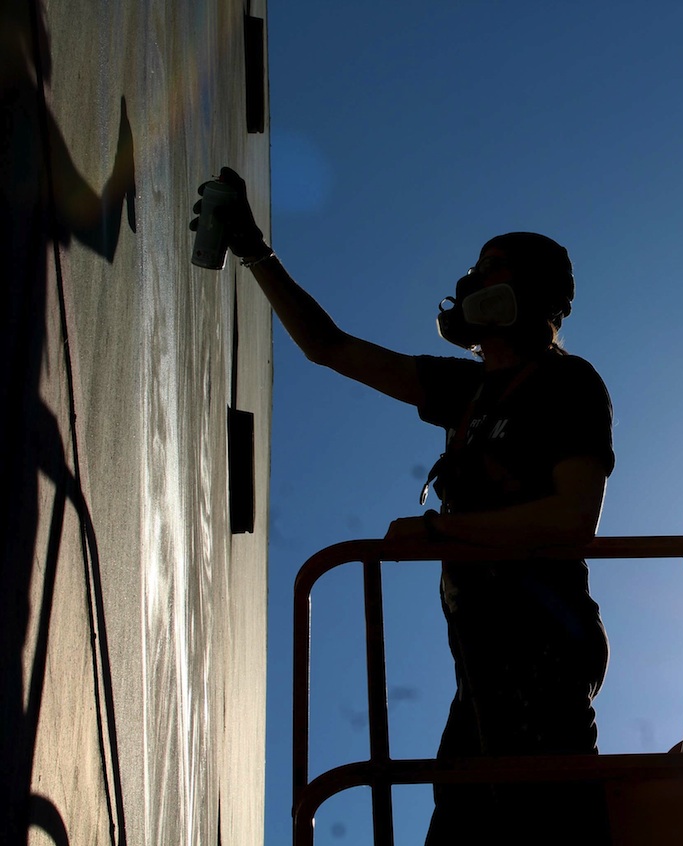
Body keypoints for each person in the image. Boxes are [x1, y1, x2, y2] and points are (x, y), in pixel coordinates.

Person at [191, 168, 615, 844]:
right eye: (475, 268)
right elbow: (329, 348)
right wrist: (253, 249)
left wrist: (438, 528)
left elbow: (570, 519)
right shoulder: (466, 389)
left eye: (492, 268)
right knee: (460, 824)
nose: (473, 279)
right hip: (479, 662)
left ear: (529, 291)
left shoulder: (568, 383)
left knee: (547, 823)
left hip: (543, 649)